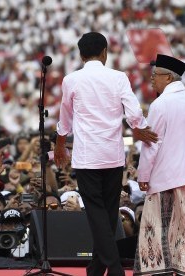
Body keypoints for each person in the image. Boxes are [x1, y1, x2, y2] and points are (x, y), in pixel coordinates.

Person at [54, 32, 157, 276]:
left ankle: (114, 268)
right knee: (108, 213)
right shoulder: (118, 77)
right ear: (104, 53)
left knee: (98, 213)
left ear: (81, 55)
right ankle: (97, 269)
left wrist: (59, 144)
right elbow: (132, 108)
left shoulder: (71, 80)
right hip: (112, 154)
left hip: (87, 156)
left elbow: (65, 116)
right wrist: (139, 128)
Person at [135, 54, 185, 276]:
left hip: (164, 174)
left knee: (156, 227)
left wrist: (143, 175)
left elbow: (151, 144)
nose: (152, 81)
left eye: (155, 76)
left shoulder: (160, 103)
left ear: (168, 77)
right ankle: (182, 270)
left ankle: (156, 271)